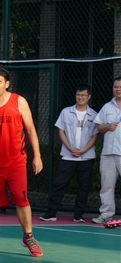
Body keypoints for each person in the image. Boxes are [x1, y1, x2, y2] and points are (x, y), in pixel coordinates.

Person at [0, 67, 43, 256]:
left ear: (7, 84)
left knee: (22, 199)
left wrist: (37, 155)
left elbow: (30, 130)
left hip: (16, 162)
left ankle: (28, 236)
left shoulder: (19, 102)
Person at [41, 85, 98, 223]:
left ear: (89, 97)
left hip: (87, 156)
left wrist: (84, 150)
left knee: (83, 186)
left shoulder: (94, 115)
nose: (80, 97)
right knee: (60, 183)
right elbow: (61, 131)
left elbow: (95, 135)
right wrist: (70, 148)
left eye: (84, 95)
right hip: (68, 155)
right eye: (78, 95)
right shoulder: (66, 112)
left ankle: (78, 215)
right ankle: (51, 213)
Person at [93, 77, 121, 225]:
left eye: (120, 87)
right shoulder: (107, 107)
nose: (118, 89)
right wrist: (108, 126)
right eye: (115, 87)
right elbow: (99, 127)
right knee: (107, 185)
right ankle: (106, 214)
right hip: (108, 152)